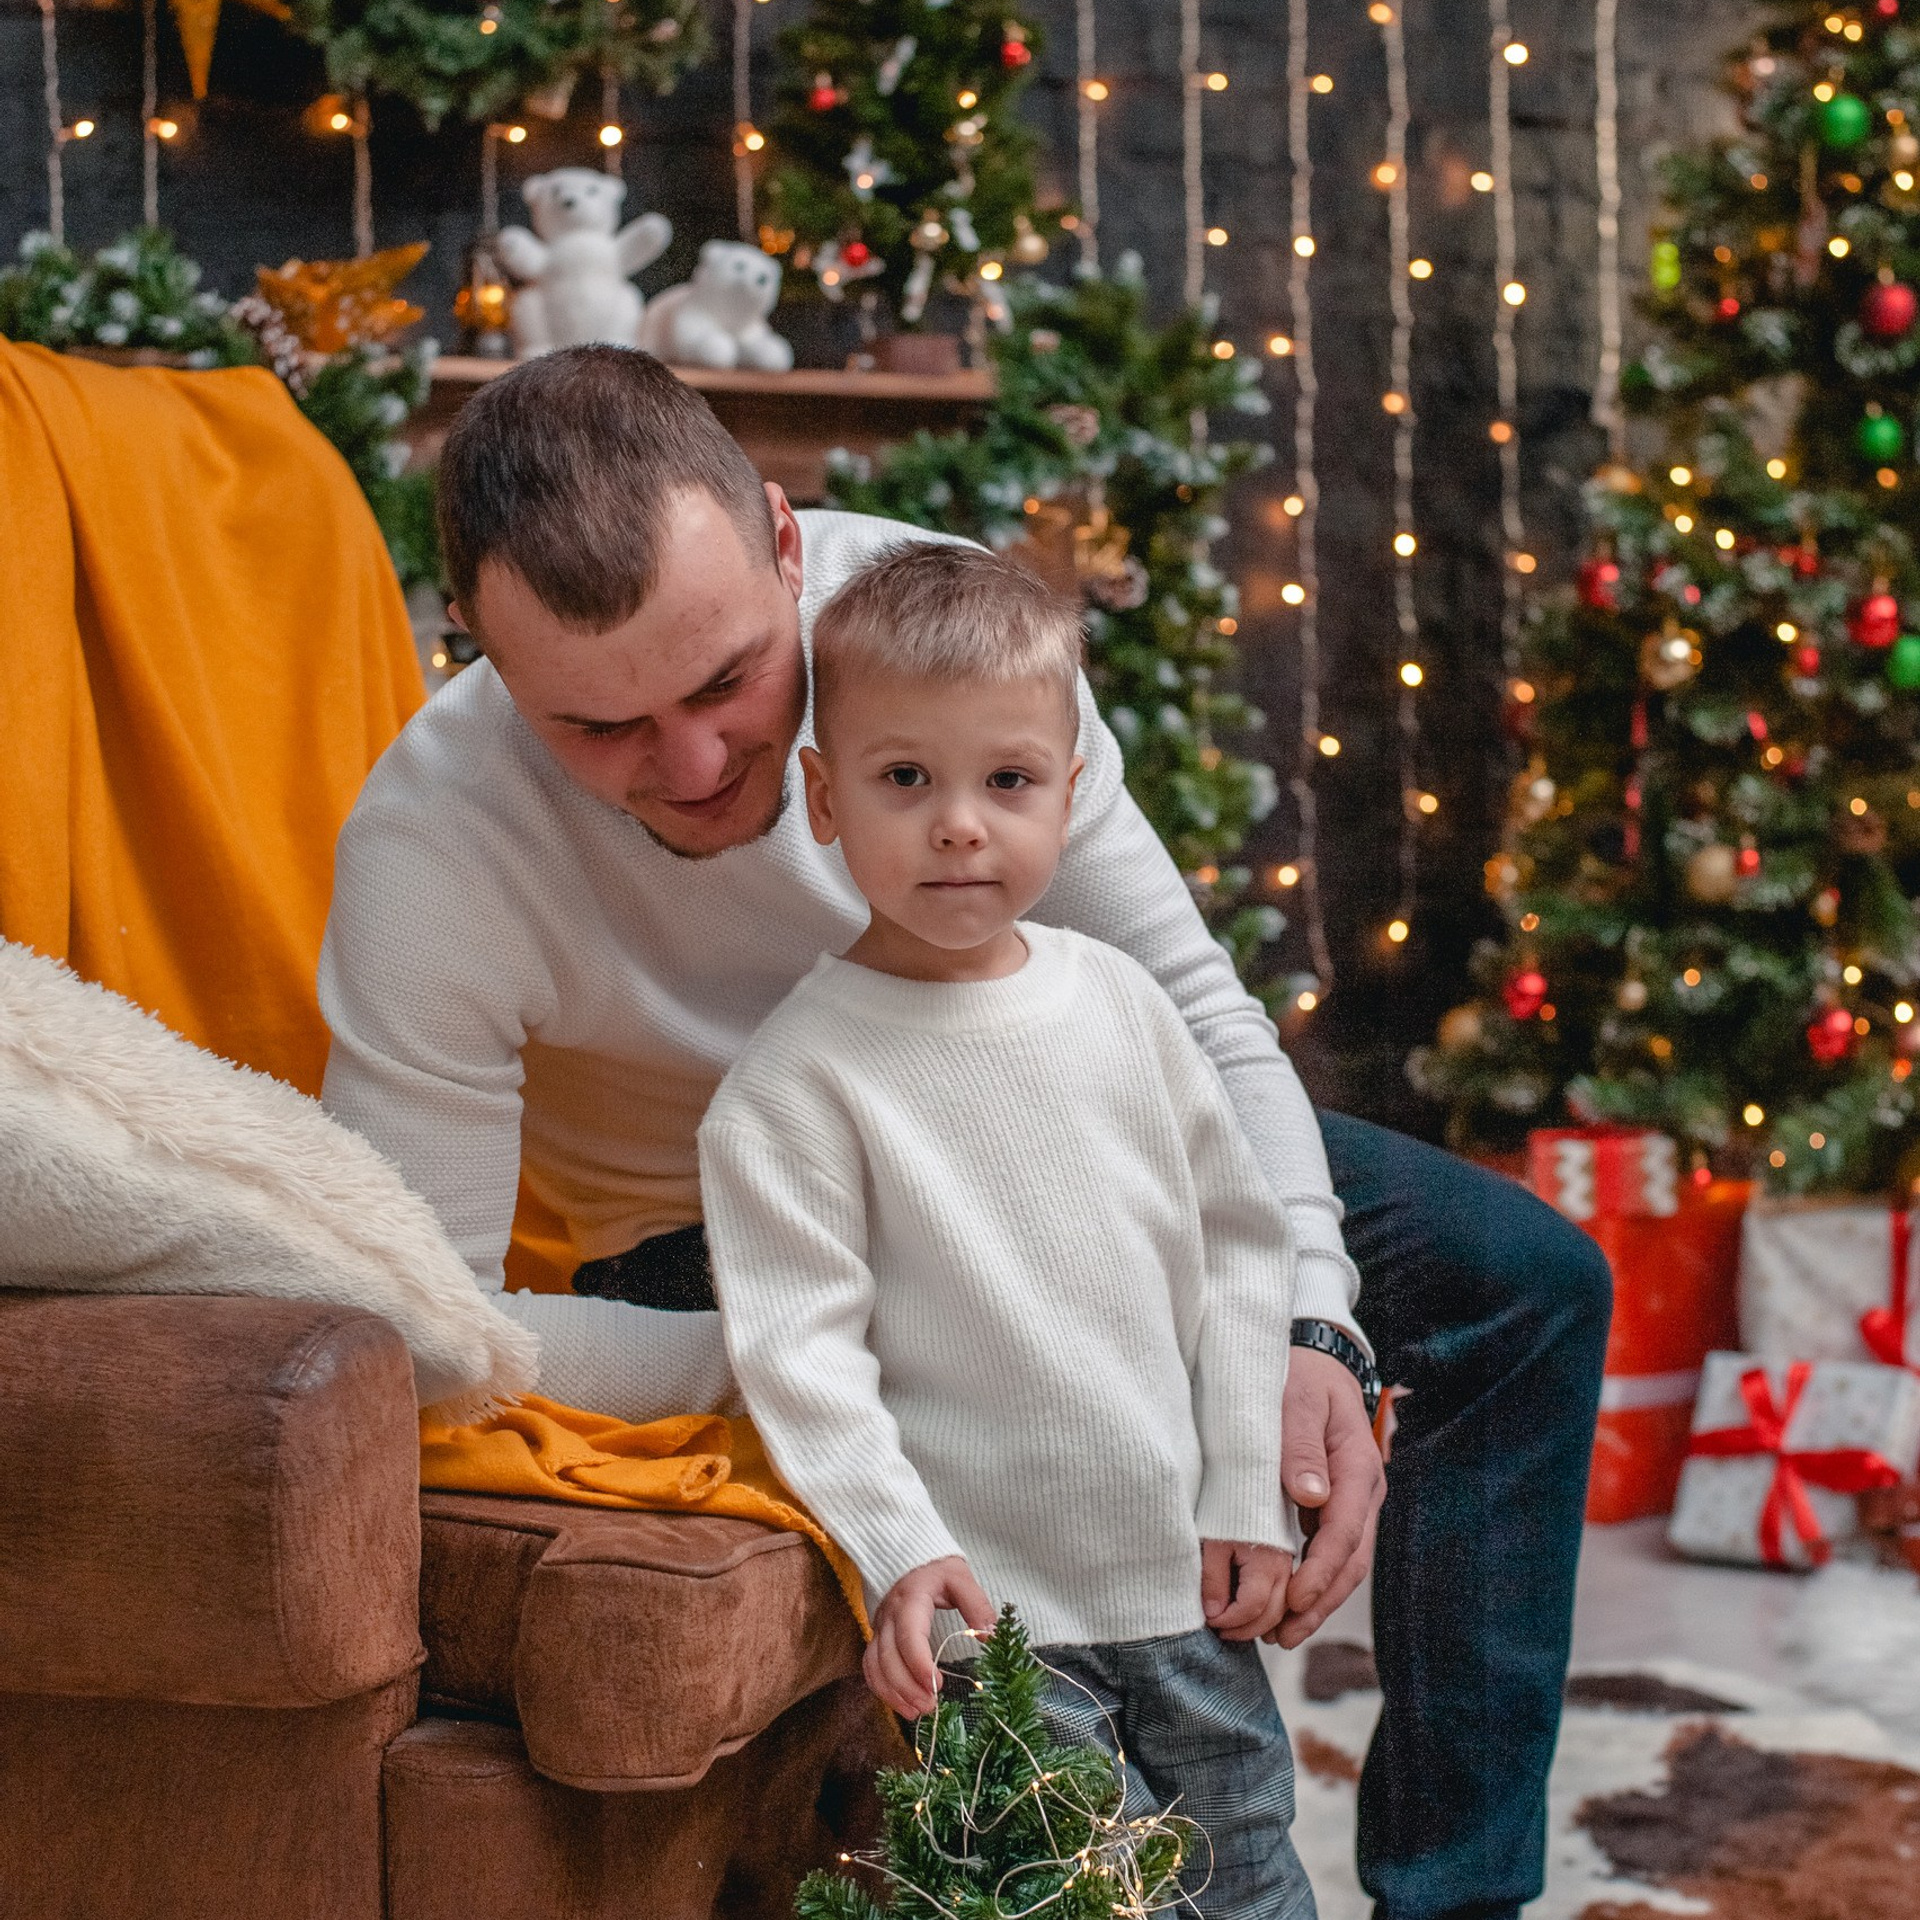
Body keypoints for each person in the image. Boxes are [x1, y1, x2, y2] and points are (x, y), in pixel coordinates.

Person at [318, 346, 1611, 1920]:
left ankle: (1458, 1899)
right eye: (602, 730)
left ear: (789, 549)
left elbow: (1196, 1015)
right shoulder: (430, 845)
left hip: (1054, 1116)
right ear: (485, 659)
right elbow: (426, 1326)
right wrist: (823, 1355)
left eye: (727, 681)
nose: (698, 768)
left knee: (1524, 1283)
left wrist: (1312, 1327)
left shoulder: (942, 634)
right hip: (725, 1237)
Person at [698, 540, 1314, 1917]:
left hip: (1177, 1576)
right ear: (822, 797)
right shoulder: (796, 1084)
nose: (961, 824)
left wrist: (1240, 1485)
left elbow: (1236, 1248)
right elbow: (803, 1352)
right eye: (906, 780)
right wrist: (893, 1543)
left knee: (1253, 1869)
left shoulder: (1124, 1008)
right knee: (1075, 1898)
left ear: (1070, 792)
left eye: (1008, 782)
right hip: (996, 1627)